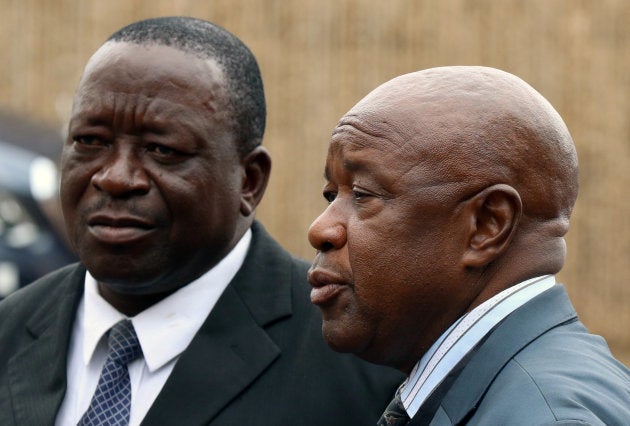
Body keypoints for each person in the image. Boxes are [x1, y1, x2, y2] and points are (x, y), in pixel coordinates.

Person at [0, 17, 402, 426]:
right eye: (89, 141)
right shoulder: (9, 332)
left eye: (162, 149)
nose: (116, 178)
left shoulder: (361, 361)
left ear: (249, 180)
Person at [307, 66, 630, 425]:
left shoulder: (546, 416)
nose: (320, 229)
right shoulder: (504, 393)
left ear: (487, 226)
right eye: (331, 195)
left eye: (363, 195)